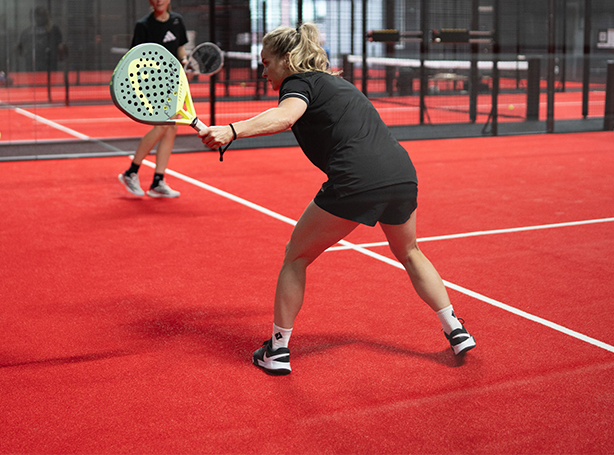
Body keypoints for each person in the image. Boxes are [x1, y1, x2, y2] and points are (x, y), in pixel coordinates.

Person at [198, 22, 476, 375]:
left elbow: (286, 117)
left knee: (295, 256)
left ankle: (278, 350)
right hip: (402, 173)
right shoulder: (336, 82)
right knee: (410, 251)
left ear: (286, 60)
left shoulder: (297, 83)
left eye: (267, 63)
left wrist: (231, 130)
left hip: (357, 178)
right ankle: (455, 328)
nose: (263, 71)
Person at [118, 0, 189, 199]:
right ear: (150, 0)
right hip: (151, 84)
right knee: (161, 127)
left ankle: (158, 181)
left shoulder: (177, 21)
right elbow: (135, 57)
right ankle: (131, 172)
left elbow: (180, 48)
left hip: (174, 82)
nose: (159, 0)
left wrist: (184, 60)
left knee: (172, 129)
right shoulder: (144, 25)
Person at [17, 6, 65, 73]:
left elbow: (61, 48)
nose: (39, 18)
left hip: (48, 66)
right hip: (35, 67)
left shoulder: (54, 30)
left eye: (41, 16)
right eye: (38, 16)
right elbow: (20, 50)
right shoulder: (27, 32)